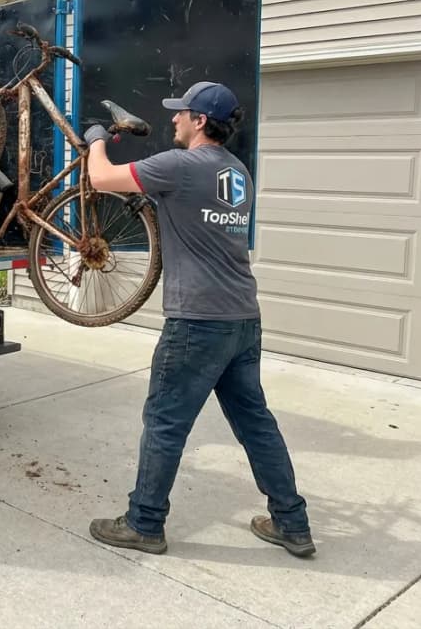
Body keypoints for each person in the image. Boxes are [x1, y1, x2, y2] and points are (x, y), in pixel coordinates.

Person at [81, 80, 314, 558]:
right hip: (243, 319)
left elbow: (101, 179)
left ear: (200, 121)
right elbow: (193, 213)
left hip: (197, 321)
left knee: (165, 422)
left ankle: (144, 522)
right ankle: (292, 523)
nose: (173, 120)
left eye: (180, 113)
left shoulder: (181, 166)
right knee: (256, 424)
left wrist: (96, 139)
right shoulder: (237, 172)